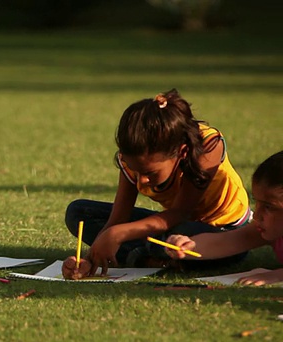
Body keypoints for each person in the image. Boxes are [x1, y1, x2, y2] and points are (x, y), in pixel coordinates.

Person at [62, 89, 251, 280]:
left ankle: (144, 256)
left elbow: (180, 213)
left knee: (177, 236)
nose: (141, 180)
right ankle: (153, 258)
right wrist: (89, 260)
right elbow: (117, 220)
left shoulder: (208, 146)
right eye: (136, 171)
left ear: (181, 152)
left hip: (224, 233)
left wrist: (117, 235)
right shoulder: (132, 160)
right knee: (78, 213)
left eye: (149, 173)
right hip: (170, 227)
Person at [166, 151, 283, 286]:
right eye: (257, 203)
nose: (257, 215)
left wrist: (276, 275)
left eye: (268, 207)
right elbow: (229, 240)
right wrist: (188, 245)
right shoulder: (268, 230)